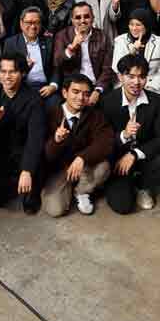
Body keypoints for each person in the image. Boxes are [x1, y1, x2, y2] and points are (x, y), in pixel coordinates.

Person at [102, 55, 160, 214]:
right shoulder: (107, 102)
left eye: (141, 77)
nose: (136, 82)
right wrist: (124, 135)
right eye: (131, 76)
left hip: (144, 157)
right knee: (123, 206)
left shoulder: (157, 101)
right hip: (118, 161)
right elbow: (103, 140)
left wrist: (134, 154)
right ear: (120, 77)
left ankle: (143, 185)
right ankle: (124, 184)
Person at [42, 75, 113, 217]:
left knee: (104, 167)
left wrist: (82, 158)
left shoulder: (95, 115)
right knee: (55, 210)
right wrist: (56, 141)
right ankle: (69, 189)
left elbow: (107, 141)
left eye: (86, 94)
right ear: (64, 93)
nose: (81, 98)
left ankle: (82, 191)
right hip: (60, 170)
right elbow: (45, 155)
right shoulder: (50, 114)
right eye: (75, 92)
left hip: (84, 167)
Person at [0, 54, 46, 214]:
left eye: (13, 72)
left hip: (25, 152)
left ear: (22, 73)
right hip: (2, 154)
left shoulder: (34, 99)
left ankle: (31, 183)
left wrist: (27, 170)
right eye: (3, 71)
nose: (7, 77)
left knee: (29, 204)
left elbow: (35, 139)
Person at [53, 2, 116, 106]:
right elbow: (57, 63)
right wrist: (71, 48)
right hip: (74, 86)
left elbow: (107, 68)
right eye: (78, 17)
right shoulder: (62, 36)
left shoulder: (102, 37)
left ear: (93, 18)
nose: (82, 21)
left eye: (86, 16)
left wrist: (98, 90)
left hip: (96, 85)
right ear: (72, 20)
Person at [3, 7, 56, 103]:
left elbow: (55, 67)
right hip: (22, 87)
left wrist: (53, 85)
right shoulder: (11, 43)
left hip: (45, 87)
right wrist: (25, 68)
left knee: (55, 103)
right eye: (29, 22)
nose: (33, 26)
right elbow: (7, 72)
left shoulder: (48, 42)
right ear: (21, 23)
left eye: (36, 22)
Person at [111, 9, 160, 95]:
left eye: (138, 25)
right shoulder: (120, 41)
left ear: (146, 25)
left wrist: (146, 87)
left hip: (152, 87)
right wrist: (132, 52)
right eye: (131, 24)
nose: (134, 28)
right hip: (127, 87)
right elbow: (117, 69)